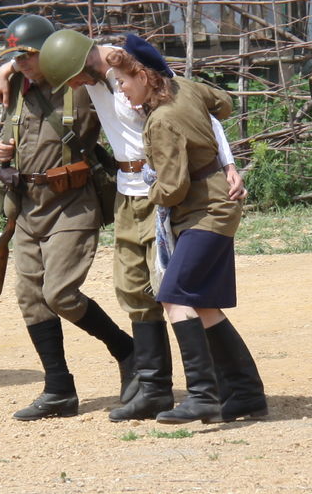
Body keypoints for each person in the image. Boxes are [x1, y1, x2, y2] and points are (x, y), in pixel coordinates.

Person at [27, 28, 245, 422]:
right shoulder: (86, 73)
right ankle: (153, 389)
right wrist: (4, 72)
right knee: (132, 286)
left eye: (74, 79)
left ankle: (216, 387)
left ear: (83, 63)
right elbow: (33, 48)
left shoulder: (134, 66)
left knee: (170, 288)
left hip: (162, 186)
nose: (74, 88)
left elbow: (199, 108)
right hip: (126, 191)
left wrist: (228, 162)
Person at [112, 46, 265, 424]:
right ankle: (246, 394)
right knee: (203, 304)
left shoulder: (161, 120)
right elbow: (223, 102)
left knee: (174, 296)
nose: (121, 91)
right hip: (215, 206)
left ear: (143, 76)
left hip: (205, 212)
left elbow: (173, 188)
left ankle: (202, 395)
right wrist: (222, 159)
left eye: (123, 82)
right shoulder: (185, 87)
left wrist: (150, 190)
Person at [0, 19, 136, 420]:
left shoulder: (82, 84)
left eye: (28, 55)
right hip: (26, 205)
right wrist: (5, 153)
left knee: (60, 294)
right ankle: (58, 388)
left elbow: (101, 56)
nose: (21, 63)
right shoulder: (17, 85)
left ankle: (127, 350)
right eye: (15, 58)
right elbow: (19, 134)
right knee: (31, 297)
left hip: (72, 202)